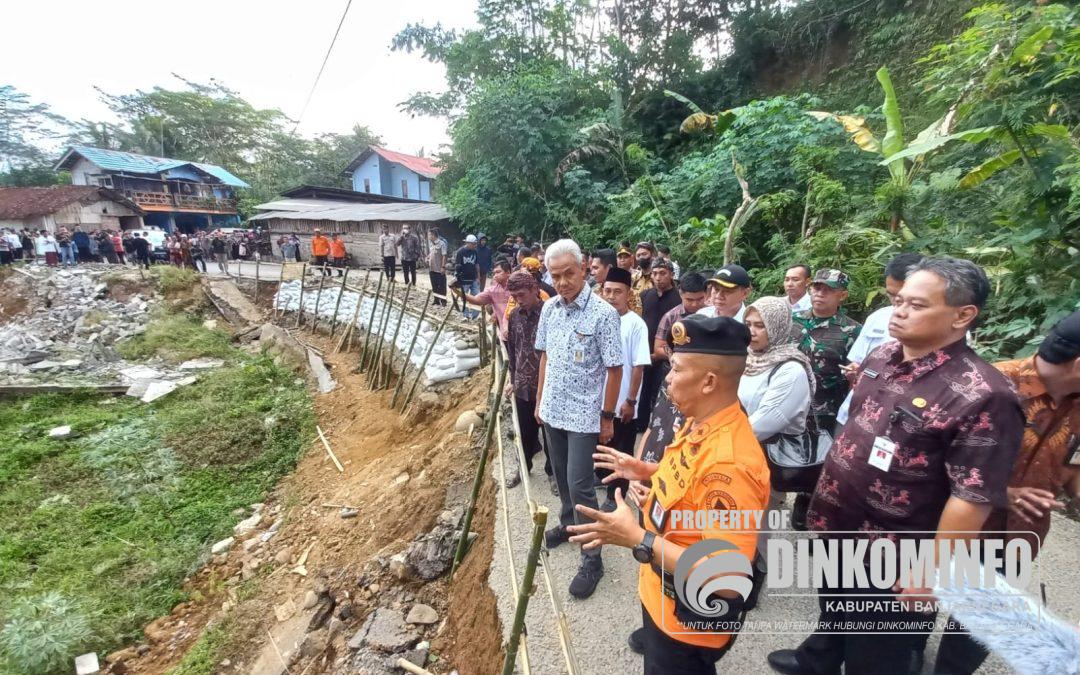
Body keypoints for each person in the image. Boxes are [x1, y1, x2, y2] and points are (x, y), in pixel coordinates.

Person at [767, 256, 1024, 675]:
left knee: (878, 652)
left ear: (963, 316)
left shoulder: (985, 395)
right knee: (835, 607)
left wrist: (931, 571)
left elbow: (971, 496)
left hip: (897, 553)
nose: (899, 311)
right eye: (899, 300)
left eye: (917, 305)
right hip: (840, 523)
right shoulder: (882, 356)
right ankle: (819, 661)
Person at [570, 314, 769, 673]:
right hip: (661, 591)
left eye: (676, 369)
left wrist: (635, 537)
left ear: (709, 381)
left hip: (687, 622)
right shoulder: (702, 418)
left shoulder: (730, 464)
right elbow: (689, 480)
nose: (667, 377)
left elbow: (727, 579)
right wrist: (648, 471)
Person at [932, 310, 1080, 675]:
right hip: (954, 525)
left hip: (1019, 535)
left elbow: (1074, 468)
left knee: (982, 626)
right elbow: (929, 461)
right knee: (920, 602)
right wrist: (1003, 492)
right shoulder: (986, 385)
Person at [534, 238, 623, 599]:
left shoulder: (603, 314)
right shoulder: (550, 309)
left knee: (581, 485)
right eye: (555, 276)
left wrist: (607, 416)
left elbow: (615, 370)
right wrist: (539, 401)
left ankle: (592, 558)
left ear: (584, 268)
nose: (562, 282)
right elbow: (544, 357)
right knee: (562, 479)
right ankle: (569, 525)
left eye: (568, 273)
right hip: (553, 410)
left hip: (584, 416)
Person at [740, 296, 815, 588]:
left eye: (760, 325)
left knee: (760, 523)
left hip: (766, 456)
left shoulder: (790, 369)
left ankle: (754, 577)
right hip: (741, 450)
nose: (752, 331)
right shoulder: (750, 358)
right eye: (748, 324)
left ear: (779, 327)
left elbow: (763, 423)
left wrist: (716, 438)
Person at [836, 253, 924, 426]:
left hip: (897, 426)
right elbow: (856, 362)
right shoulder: (877, 317)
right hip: (853, 415)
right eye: (893, 296)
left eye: (908, 298)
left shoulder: (944, 333)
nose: (898, 306)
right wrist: (855, 373)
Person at [599, 266, 651, 512]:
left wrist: (631, 400)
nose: (611, 296)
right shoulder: (598, 319)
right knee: (601, 445)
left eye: (617, 291)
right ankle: (602, 480)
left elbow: (639, 367)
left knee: (621, 448)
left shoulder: (635, 324)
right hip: (600, 398)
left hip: (623, 400)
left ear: (628, 293)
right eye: (607, 291)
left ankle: (616, 493)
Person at [504, 270, 555, 491]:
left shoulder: (550, 314)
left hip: (547, 385)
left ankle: (553, 474)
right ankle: (523, 467)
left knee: (550, 436)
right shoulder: (514, 315)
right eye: (514, 296)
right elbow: (513, 349)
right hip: (522, 386)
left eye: (522, 295)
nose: (518, 300)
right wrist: (512, 379)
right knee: (523, 432)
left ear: (535, 289)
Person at [794, 268, 861, 431]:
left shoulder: (853, 330)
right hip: (789, 404)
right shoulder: (793, 320)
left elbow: (855, 372)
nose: (820, 294)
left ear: (842, 295)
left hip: (827, 413)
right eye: (816, 288)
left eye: (828, 290)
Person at [639, 259, 683, 429]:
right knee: (642, 391)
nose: (658, 277)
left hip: (666, 358)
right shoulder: (645, 296)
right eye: (655, 273)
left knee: (663, 394)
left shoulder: (678, 299)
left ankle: (660, 428)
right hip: (644, 354)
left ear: (671, 275)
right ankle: (641, 426)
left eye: (662, 273)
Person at [653, 272, 709, 368]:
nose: (694, 304)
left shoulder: (713, 315)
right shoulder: (671, 316)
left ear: (706, 293)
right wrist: (682, 356)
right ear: (680, 294)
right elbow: (658, 349)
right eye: (689, 300)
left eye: (700, 299)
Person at [462, 259, 512, 340]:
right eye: (494, 273)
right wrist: (459, 292)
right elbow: (476, 300)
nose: (495, 275)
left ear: (508, 272)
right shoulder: (492, 290)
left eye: (498, 272)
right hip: (505, 333)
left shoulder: (517, 287)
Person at [453, 235, 482, 318]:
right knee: (464, 297)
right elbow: (457, 266)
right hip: (464, 279)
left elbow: (477, 264)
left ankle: (475, 315)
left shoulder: (475, 252)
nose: (475, 245)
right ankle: (465, 315)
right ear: (468, 243)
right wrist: (458, 278)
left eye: (475, 244)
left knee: (477, 296)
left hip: (473, 278)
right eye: (473, 244)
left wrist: (478, 277)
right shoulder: (460, 252)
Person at [426, 227, 449, 306]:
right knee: (434, 285)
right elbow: (432, 252)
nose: (428, 237)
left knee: (442, 285)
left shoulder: (442, 243)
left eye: (429, 235)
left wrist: (443, 267)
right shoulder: (431, 244)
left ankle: (443, 301)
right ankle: (436, 300)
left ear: (433, 235)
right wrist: (428, 257)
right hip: (432, 268)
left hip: (439, 269)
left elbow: (444, 256)